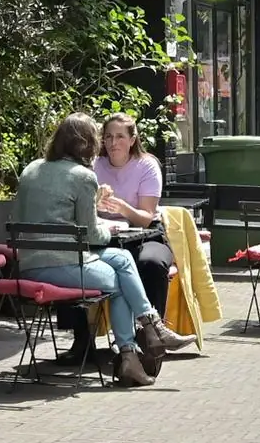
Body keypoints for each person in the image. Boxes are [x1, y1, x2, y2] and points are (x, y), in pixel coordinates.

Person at [11, 114, 193, 387]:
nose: (103, 143)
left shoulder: (31, 169)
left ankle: (144, 338)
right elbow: (93, 236)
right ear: (86, 143)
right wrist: (111, 230)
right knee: (121, 277)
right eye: (99, 137)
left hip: (27, 264)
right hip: (64, 267)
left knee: (122, 258)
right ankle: (143, 338)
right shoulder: (83, 176)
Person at [94, 112, 179, 316]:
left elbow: (147, 216)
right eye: (108, 136)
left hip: (146, 234)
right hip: (105, 235)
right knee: (74, 259)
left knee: (151, 263)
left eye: (120, 137)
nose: (113, 142)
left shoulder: (146, 165)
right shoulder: (94, 165)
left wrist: (123, 208)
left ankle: (154, 328)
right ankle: (82, 339)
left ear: (132, 140)